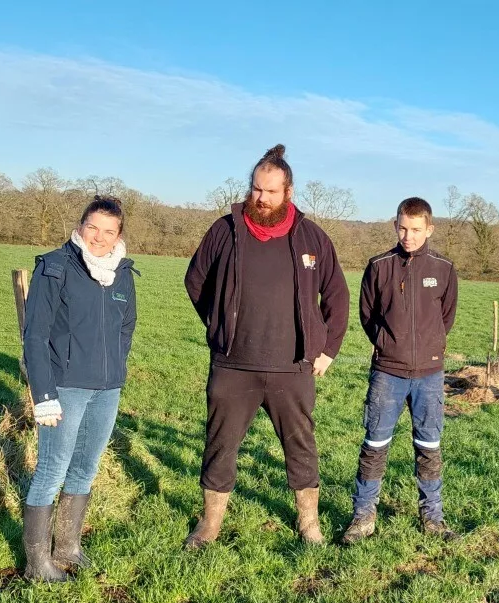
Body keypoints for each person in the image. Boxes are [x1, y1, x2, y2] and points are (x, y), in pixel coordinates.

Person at [183, 144, 349, 548]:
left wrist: (327, 350)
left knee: (300, 445)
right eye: (256, 189)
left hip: (293, 367)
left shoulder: (311, 237)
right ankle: (210, 525)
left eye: (270, 192)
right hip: (233, 365)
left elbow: (337, 294)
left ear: (288, 192)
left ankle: (309, 523)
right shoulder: (225, 230)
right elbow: (195, 281)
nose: (260, 198)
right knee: (220, 445)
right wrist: (220, 323)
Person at [21, 195, 138, 582]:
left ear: (118, 234)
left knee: (86, 466)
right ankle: (37, 563)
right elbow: (35, 335)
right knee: (52, 468)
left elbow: (126, 327)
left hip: (107, 389)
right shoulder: (55, 267)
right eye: (92, 228)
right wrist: (43, 394)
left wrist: (116, 368)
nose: (98, 238)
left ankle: (67, 546)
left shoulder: (122, 272)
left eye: (108, 231)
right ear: (80, 226)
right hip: (65, 386)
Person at [342, 197, 459, 544]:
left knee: (429, 445)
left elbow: (446, 316)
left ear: (429, 229)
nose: (408, 236)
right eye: (403, 228)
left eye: (416, 229)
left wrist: (430, 346)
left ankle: (432, 517)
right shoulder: (379, 266)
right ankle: (363, 517)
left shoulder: (443, 268)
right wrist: (385, 341)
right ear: (395, 225)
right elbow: (368, 314)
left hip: (430, 374)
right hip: (387, 373)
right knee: (374, 445)